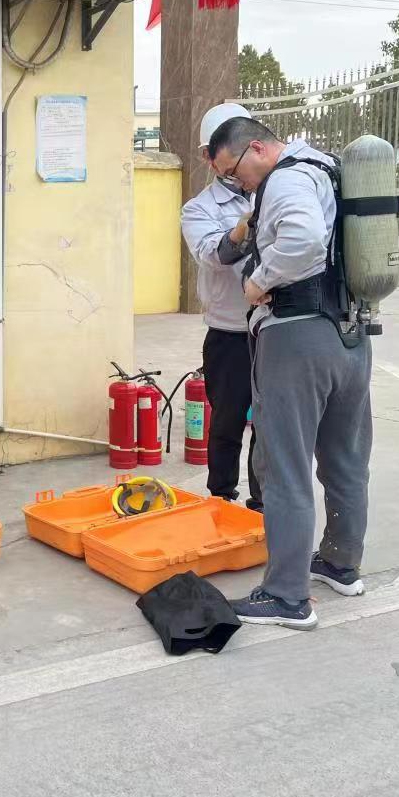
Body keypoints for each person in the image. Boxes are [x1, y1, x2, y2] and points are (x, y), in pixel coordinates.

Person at [205, 117, 372, 631]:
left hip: (298, 337)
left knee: (283, 467)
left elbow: (302, 239)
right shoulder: (329, 169)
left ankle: (286, 596)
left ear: (257, 148)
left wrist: (259, 281)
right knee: (345, 459)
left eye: (234, 170)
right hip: (351, 335)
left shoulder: (286, 178)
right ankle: (340, 563)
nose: (237, 182)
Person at [180, 102, 261, 511]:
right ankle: (221, 498)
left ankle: (263, 502)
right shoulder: (199, 209)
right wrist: (245, 226)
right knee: (227, 422)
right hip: (229, 333)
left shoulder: (275, 190)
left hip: (273, 329)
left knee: (270, 425)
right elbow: (215, 254)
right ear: (207, 156)